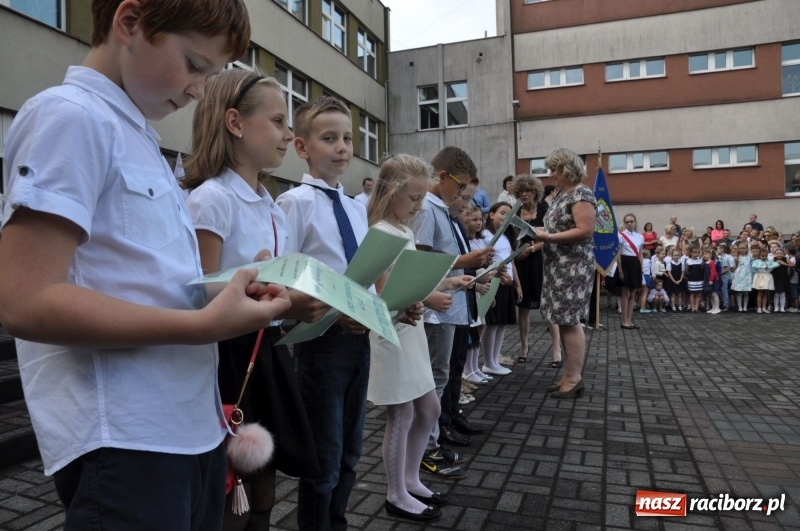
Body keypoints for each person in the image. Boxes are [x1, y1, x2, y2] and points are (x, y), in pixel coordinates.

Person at [0, 2, 295, 529]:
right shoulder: (70, 116)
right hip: (127, 439)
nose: (199, 89)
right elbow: (24, 299)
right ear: (129, 22)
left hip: (189, 428)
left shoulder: (137, 135)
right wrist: (204, 324)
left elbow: (152, 283)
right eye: (195, 64)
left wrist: (235, 293)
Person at [183, 70, 330, 530]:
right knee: (232, 487)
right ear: (235, 123)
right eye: (279, 121)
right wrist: (271, 291)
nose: (290, 135)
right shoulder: (211, 199)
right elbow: (198, 291)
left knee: (264, 489)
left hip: (265, 351)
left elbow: (275, 283)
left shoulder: (271, 204)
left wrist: (293, 296)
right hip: (225, 356)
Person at [276, 96, 372, 531]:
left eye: (348, 138)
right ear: (302, 147)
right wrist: (332, 309)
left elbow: (366, 273)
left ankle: (337, 522)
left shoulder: (356, 206)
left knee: (352, 452)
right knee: (325, 458)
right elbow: (285, 275)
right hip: (320, 343)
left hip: (359, 339)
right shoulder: (293, 204)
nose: (342, 148)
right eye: (329, 138)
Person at [366, 154, 471, 522]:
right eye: (413, 198)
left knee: (428, 408)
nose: (418, 205)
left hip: (408, 330)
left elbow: (411, 282)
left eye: (420, 198)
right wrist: (428, 297)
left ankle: (410, 479)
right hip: (393, 331)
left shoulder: (404, 230)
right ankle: (396, 493)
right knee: (402, 414)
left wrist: (450, 283)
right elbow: (384, 290)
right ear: (391, 193)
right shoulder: (380, 231)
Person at [412, 146, 493, 477]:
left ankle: (431, 442)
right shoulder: (428, 211)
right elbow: (419, 262)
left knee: (442, 377)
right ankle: (426, 447)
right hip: (437, 310)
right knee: (435, 378)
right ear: (442, 177)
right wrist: (464, 262)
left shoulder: (440, 209)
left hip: (450, 306)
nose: (462, 195)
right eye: (460, 187)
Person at [532, 148, 596, 399]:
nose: (551, 174)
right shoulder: (562, 195)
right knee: (562, 320)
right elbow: (558, 229)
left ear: (567, 169)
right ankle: (569, 374)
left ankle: (574, 377)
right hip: (558, 266)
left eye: (555, 169)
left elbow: (585, 230)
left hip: (573, 267)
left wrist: (547, 236)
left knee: (570, 321)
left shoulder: (581, 193)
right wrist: (539, 239)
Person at [513, 176, 554, 364]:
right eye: (521, 191)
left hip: (540, 260)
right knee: (523, 307)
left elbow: (551, 236)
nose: (524, 194)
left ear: (535, 192)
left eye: (527, 191)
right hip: (520, 262)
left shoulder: (545, 209)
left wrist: (531, 248)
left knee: (548, 306)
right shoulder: (515, 211)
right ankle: (523, 347)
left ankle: (557, 349)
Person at [481, 202, 521, 375]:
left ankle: (495, 359)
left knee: (502, 324)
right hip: (493, 283)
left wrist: (518, 284)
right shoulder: (484, 235)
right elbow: (484, 261)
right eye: (503, 213)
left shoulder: (506, 235)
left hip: (507, 284)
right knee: (492, 324)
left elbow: (511, 260)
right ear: (491, 214)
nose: (506, 217)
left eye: (509, 214)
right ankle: (488, 361)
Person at [616, 213, 644, 328]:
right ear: (624, 223)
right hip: (625, 263)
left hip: (635, 264)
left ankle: (629, 320)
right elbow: (618, 254)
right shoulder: (620, 236)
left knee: (633, 293)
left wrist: (641, 270)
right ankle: (623, 321)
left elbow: (640, 254)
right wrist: (621, 270)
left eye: (631, 221)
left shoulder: (640, 237)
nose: (629, 223)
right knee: (626, 293)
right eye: (627, 222)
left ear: (635, 222)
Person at [751, 246, 777, 313]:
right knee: (760, 293)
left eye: (765, 255)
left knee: (765, 293)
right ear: (759, 255)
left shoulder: (769, 261)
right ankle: (759, 308)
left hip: (767, 276)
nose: (764, 257)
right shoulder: (756, 261)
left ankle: (764, 307)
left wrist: (768, 266)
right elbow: (754, 265)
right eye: (762, 256)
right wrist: (762, 266)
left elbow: (776, 264)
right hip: (760, 276)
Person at [731, 240, 754, 311]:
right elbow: (734, 268)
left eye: (743, 248)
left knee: (746, 293)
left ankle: (745, 306)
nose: (742, 250)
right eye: (740, 248)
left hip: (747, 276)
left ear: (746, 249)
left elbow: (751, 266)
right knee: (739, 292)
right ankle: (740, 306)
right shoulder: (737, 257)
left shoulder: (750, 257)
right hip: (739, 275)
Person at [666, 247, 685, 312]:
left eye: (677, 255)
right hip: (672, 280)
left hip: (679, 280)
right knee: (673, 294)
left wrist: (680, 280)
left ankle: (679, 306)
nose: (676, 256)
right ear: (672, 255)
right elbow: (669, 273)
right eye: (675, 255)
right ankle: (673, 306)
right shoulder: (669, 264)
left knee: (679, 294)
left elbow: (682, 272)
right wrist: (674, 281)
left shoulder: (681, 264)